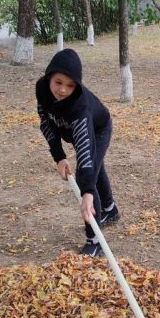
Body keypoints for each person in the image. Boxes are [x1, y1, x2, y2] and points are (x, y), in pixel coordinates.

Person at [36, 48, 119, 257]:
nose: (63, 90)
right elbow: (46, 124)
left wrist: (88, 193)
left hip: (99, 130)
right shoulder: (42, 92)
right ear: (49, 78)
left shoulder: (80, 109)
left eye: (71, 85)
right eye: (58, 82)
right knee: (96, 169)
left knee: (88, 172)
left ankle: (94, 240)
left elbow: (84, 154)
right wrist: (59, 157)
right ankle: (110, 210)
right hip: (73, 132)